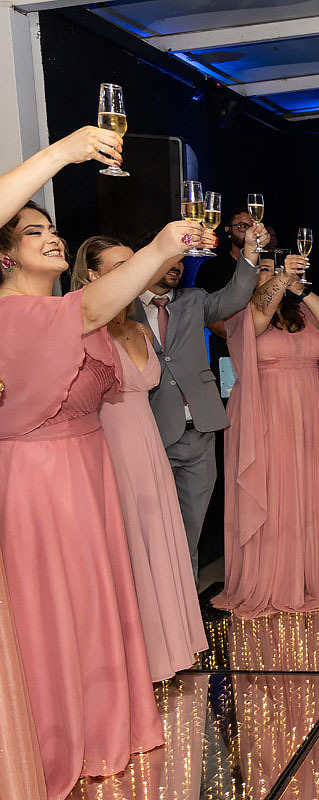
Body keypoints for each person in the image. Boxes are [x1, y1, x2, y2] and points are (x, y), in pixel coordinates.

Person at [0, 125, 217, 799]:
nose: (50, 237)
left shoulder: (68, 312)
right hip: (37, 480)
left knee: (93, 605)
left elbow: (102, 324)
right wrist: (161, 244)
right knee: (53, 610)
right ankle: (60, 734)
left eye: (51, 230)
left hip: (89, 469)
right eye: (32, 232)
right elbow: (98, 301)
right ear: (5, 256)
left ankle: (102, 721)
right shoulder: (11, 316)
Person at [72, 236, 209, 679]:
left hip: (148, 445)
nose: (131, 273)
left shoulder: (140, 326)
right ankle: (135, 657)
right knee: (127, 546)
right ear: (92, 276)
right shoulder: (81, 330)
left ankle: (170, 643)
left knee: (160, 541)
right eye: (117, 267)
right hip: (109, 447)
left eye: (134, 264)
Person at [212, 254, 319, 617]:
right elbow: (261, 316)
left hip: (311, 415)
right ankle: (274, 579)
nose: (272, 274)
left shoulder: (303, 315)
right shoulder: (239, 316)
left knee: (311, 491)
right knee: (274, 491)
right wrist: (279, 278)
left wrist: (302, 289)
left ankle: (310, 574)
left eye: (273, 268)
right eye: (263, 269)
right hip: (266, 415)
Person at [134, 215, 266, 577]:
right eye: (170, 257)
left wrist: (251, 254)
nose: (178, 265)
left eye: (181, 259)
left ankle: (186, 610)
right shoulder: (124, 309)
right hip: (152, 434)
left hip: (201, 433)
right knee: (153, 532)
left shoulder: (194, 301)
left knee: (188, 532)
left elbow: (237, 295)